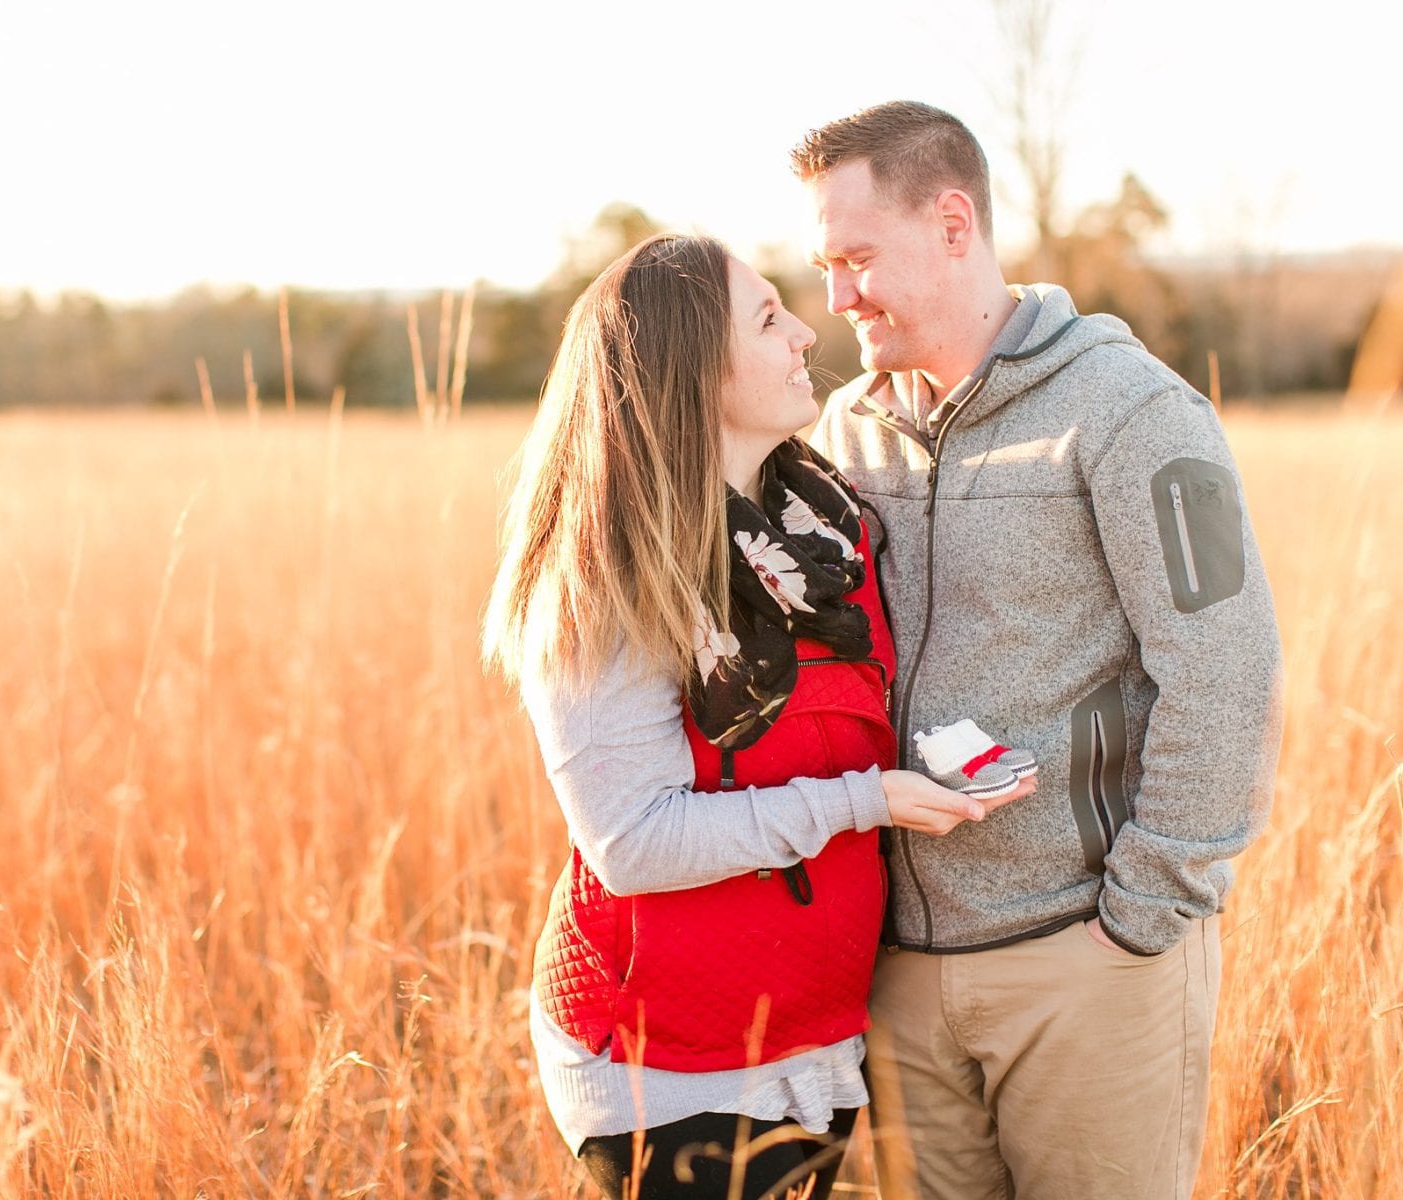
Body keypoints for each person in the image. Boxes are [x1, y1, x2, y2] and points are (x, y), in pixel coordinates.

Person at [791, 101, 1286, 1200]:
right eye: (823, 267)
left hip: (1086, 962)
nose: (836, 297)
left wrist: (1141, 920)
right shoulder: (839, 434)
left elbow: (1227, 672)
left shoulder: (1132, 412)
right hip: (900, 979)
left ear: (954, 223)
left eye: (856, 258)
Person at [482, 234, 1032, 1200]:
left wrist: (942, 768)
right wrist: (870, 801)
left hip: (815, 1032)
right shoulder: (602, 581)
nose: (805, 333)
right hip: (667, 1061)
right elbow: (635, 845)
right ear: (690, 369)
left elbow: (848, 721)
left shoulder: (827, 529)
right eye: (769, 318)